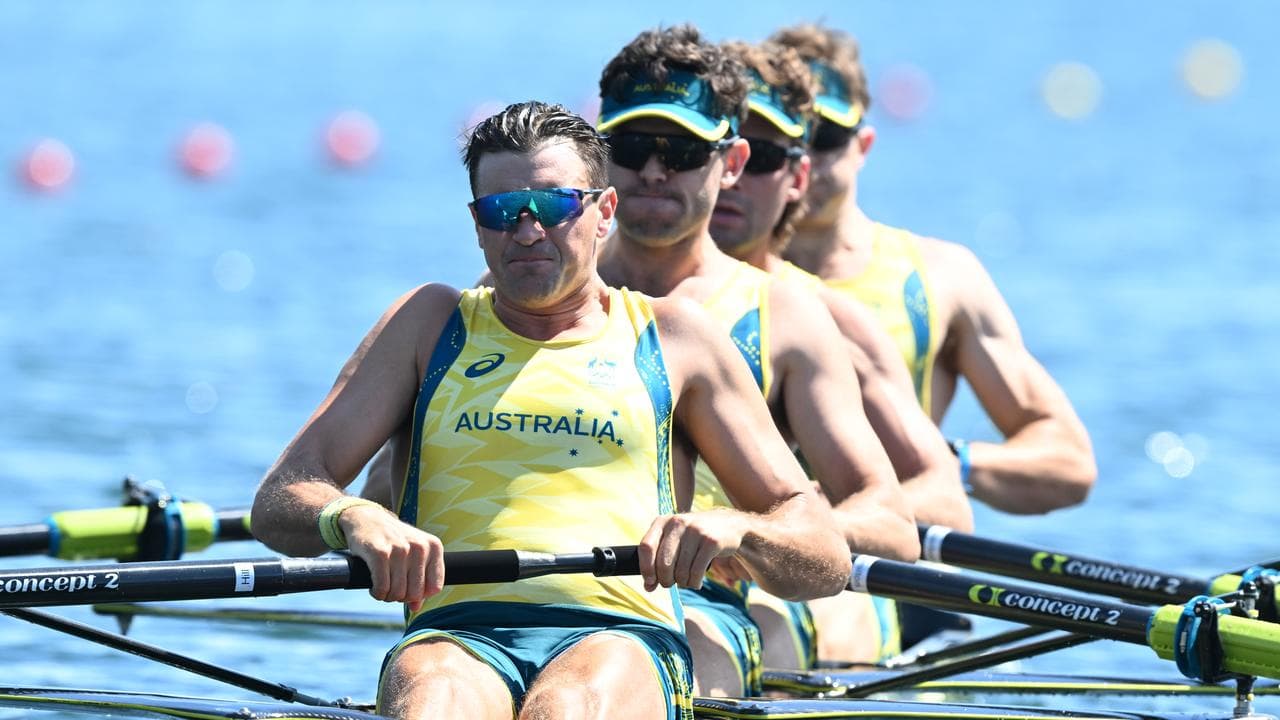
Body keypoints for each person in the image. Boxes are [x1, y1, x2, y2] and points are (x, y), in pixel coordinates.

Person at [250, 100, 851, 720]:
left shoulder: (675, 338)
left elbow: (824, 552)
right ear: (477, 223)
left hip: (620, 634)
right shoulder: (427, 327)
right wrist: (351, 517)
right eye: (503, 211)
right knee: (433, 702)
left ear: (604, 212)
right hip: (456, 633)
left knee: (566, 708)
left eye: (556, 206)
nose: (528, 232)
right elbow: (280, 498)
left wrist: (740, 529)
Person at [593, 25, 919, 694]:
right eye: (631, 148)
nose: (655, 170)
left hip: (713, 607)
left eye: (682, 151)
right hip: (548, 595)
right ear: (597, 157)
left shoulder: (790, 316)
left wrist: (756, 535)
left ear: (730, 161)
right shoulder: (525, 291)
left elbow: (890, 519)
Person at [711, 39, 973, 668]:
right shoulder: (590, 301)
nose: (733, 179)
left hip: (801, 585)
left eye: (761, 158)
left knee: (768, 635)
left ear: (795, 175)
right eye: (714, 154)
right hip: (644, 579)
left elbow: (942, 504)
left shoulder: (827, 318)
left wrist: (784, 532)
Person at [771, 23, 1097, 515]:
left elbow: (1068, 463)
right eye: (785, 135)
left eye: (824, 137)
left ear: (864, 145)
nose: (805, 158)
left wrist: (940, 463)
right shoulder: (714, 270)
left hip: (889, 558)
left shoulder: (942, 277)